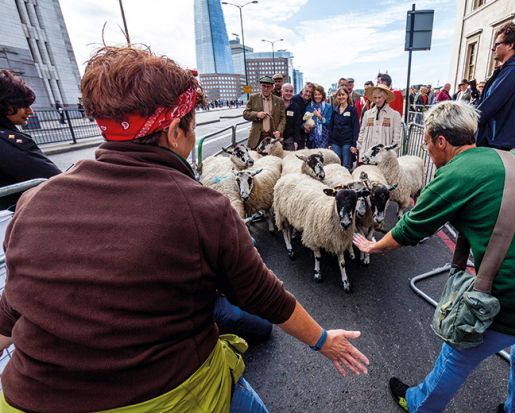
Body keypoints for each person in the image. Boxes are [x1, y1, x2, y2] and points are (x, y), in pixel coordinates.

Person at [0, 46, 370, 413]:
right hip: (169, 395)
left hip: (27, 399)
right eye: (191, 125)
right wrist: (323, 340)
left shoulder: (34, 201)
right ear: (177, 130)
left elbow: (12, 308)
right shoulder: (201, 208)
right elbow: (262, 293)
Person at [354, 100, 515, 413]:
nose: (428, 151)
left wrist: (372, 246)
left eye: (428, 143)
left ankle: (418, 404)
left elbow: (409, 229)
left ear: (441, 141)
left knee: (459, 352)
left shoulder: (455, 174)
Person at [0, 69, 61, 210]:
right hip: (18, 215)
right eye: (24, 105)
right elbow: (55, 180)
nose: (30, 111)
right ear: (6, 106)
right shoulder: (11, 143)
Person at [477, 22, 515, 150]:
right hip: (492, 139)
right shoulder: (508, 70)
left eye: (496, 44)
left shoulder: (514, 71)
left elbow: (491, 104)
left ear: (510, 45)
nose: (493, 49)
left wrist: (463, 123)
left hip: (495, 141)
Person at [357, 84, 402, 155]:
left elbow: (396, 137)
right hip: (368, 154)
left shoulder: (395, 115)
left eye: (379, 97)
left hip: (384, 156)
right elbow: (362, 131)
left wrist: (391, 153)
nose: (377, 100)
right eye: (375, 97)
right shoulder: (367, 114)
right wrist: (360, 147)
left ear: (385, 97)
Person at [243, 75, 285, 149]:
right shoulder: (253, 98)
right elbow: (245, 113)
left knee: (271, 160)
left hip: (272, 137)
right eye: (263, 86)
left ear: (272, 87)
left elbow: (283, 118)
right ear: (260, 86)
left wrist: (279, 131)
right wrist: (257, 115)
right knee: (255, 159)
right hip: (256, 137)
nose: (266, 89)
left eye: (268, 86)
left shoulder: (279, 100)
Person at [328, 87, 359, 169]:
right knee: (336, 165)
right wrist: (329, 143)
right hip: (335, 142)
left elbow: (356, 127)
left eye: (343, 94)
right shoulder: (335, 110)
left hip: (347, 142)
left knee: (346, 165)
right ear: (337, 97)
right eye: (339, 95)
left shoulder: (352, 110)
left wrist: (354, 144)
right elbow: (331, 127)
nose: (341, 97)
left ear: (347, 96)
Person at [283, 81, 315, 150]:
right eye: (306, 91)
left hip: (303, 134)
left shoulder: (310, 102)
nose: (308, 94)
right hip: (292, 133)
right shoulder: (294, 99)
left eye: (310, 92)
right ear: (302, 90)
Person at [306, 84, 333, 149]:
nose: (317, 96)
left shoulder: (328, 107)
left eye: (319, 94)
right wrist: (307, 126)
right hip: (312, 139)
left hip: (325, 138)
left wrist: (320, 117)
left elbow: (330, 123)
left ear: (322, 95)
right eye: (315, 94)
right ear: (313, 95)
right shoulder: (309, 106)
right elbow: (304, 121)